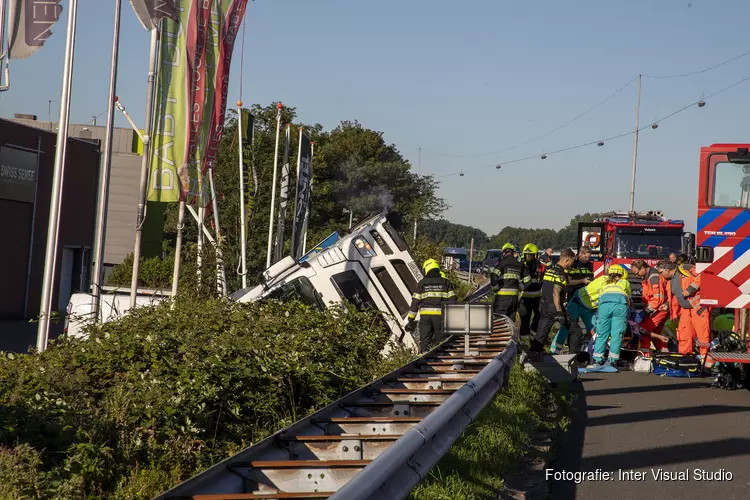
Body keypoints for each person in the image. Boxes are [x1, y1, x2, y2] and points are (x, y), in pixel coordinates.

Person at [530, 248, 589, 355]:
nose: (571, 265)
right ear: (567, 261)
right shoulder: (560, 274)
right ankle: (573, 357)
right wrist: (559, 312)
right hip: (555, 308)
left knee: (541, 334)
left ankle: (533, 354)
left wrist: (581, 280)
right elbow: (556, 293)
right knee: (576, 331)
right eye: (571, 262)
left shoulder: (551, 270)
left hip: (544, 306)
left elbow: (565, 282)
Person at [585, 265, 631, 373]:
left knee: (602, 333)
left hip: (604, 307)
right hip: (620, 306)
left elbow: (600, 297)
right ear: (622, 274)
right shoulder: (624, 283)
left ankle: (597, 360)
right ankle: (612, 361)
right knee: (616, 334)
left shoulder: (604, 283)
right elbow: (628, 298)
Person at [666, 261, 712, 367]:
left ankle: (707, 363)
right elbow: (674, 299)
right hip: (686, 310)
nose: (660, 275)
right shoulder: (670, 281)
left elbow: (703, 274)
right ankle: (684, 361)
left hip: (698, 308)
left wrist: (690, 289)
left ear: (667, 270)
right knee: (684, 334)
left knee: (703, 336)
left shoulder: (685, 268)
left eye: (661, 272)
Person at [550, 271, 607, 355]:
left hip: (588, 308)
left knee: (595, 329)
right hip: (576, 304)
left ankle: (594, 353)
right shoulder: (604, 283)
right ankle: (554, 353)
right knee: (566, 328)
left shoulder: (606, 281)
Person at [406, 259, 456, 353]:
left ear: (427, 269)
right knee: (440, 341)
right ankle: (441, 358)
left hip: (425, 318)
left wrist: (410, 319)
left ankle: (424, 362)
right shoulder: (446, 282)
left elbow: (415, 302)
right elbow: (452, 301)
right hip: (440, 317)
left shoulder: (422, 283)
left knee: (425, 342)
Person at [631, 259, 670, 352]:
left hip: (659, 309)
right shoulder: (648, 278)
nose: (637, 275)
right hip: (657, 309)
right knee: (655, 333)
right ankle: (664, 353)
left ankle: (645, 355)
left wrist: (646, 312)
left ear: (643, 268)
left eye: (637, 273)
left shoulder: (654, 278)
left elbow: (657, 300)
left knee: (644, 330)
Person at [490, 243, 525, 318]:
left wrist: (495, 289)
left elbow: (494, 276)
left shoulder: (501, 263)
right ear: (512, 253)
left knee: (499, 321)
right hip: (514, 299)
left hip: (502, 299)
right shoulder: (519, 265)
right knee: (511, 321)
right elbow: (525, 282)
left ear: (504, 252)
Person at [519, 243, 543, 336]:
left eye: (531, 255)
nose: (528, 256)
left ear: (535, 255)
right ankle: (524, 343)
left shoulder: (541, 266)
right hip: (524, 298)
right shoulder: (521, 266)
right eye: (527, 254)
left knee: (538, 319)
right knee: (525, 320)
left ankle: (533, 338)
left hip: (537, 298)